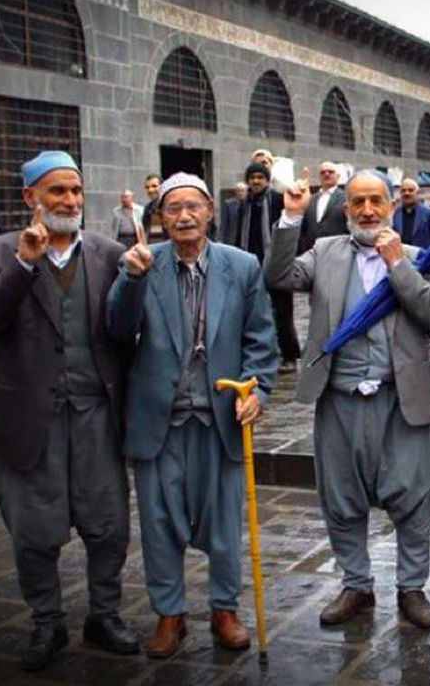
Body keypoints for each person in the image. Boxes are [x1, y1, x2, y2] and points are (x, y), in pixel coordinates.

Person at [0, 151, 137, 671]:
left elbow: (127, 330)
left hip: (97, 416)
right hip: (31, 421)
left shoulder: (110, 254)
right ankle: (47, 621)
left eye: (76, 191)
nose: (69, 201)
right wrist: (24, 263)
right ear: (30, 198)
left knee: (108, 524)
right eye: (57, 191)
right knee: (33, 529)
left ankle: (104, 614)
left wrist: (137, 281)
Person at [265, 169, 430, 629]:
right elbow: (279, 276)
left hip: (401, 399)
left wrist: (398, 267)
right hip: (340, 398)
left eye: (376, 201)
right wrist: (290, 217)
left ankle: (412, 588)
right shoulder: (325, 252)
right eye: (358, 202)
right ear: (345, 209)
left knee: (413, 497)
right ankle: (357, 585)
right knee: (341, 497)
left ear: (391, 206)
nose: (367, 210)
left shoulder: (418, 257)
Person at [107, 172, 279, 659]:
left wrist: (259, 391)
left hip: (219, 418)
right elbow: (118, 330)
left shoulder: (242, 267)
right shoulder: (143, 262)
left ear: (210, 213)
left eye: (193, 206)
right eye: (173, 208)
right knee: (159, 524)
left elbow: (260, 339)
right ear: (159, 218)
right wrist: (131, 278)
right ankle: (170, 613)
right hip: (158, 421)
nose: (184, 215)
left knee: (225, 523)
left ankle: (224, 609)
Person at [220, 162, 302, 374]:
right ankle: (257, 354)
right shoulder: (242, 204)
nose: (256, 181)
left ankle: (290, 355)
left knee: (283, 313)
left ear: (267, 179)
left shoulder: (277, 200)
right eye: (252, 177)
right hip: (249, 264)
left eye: (260, 177)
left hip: (276, 264)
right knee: (249, 312)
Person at [298, 162, 348, 254]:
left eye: (330, 172)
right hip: (310, 254)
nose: (326, 174)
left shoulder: (346, 198)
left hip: (337, 254)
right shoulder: (310, 199)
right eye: (323, 172)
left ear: (338, 176)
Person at [392, 177, 430, 249]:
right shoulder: (395, 214)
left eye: (410, 190)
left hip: (423, 258)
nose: (407, 193)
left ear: (417, 193)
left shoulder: (429, 213)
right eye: (403, 191)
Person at [141, 173, 167, 244]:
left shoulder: (169, 206)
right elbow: (145, 230)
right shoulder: (147, 208)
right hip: (152, 249)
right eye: (147, 187)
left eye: (154, 186)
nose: (150, 190)